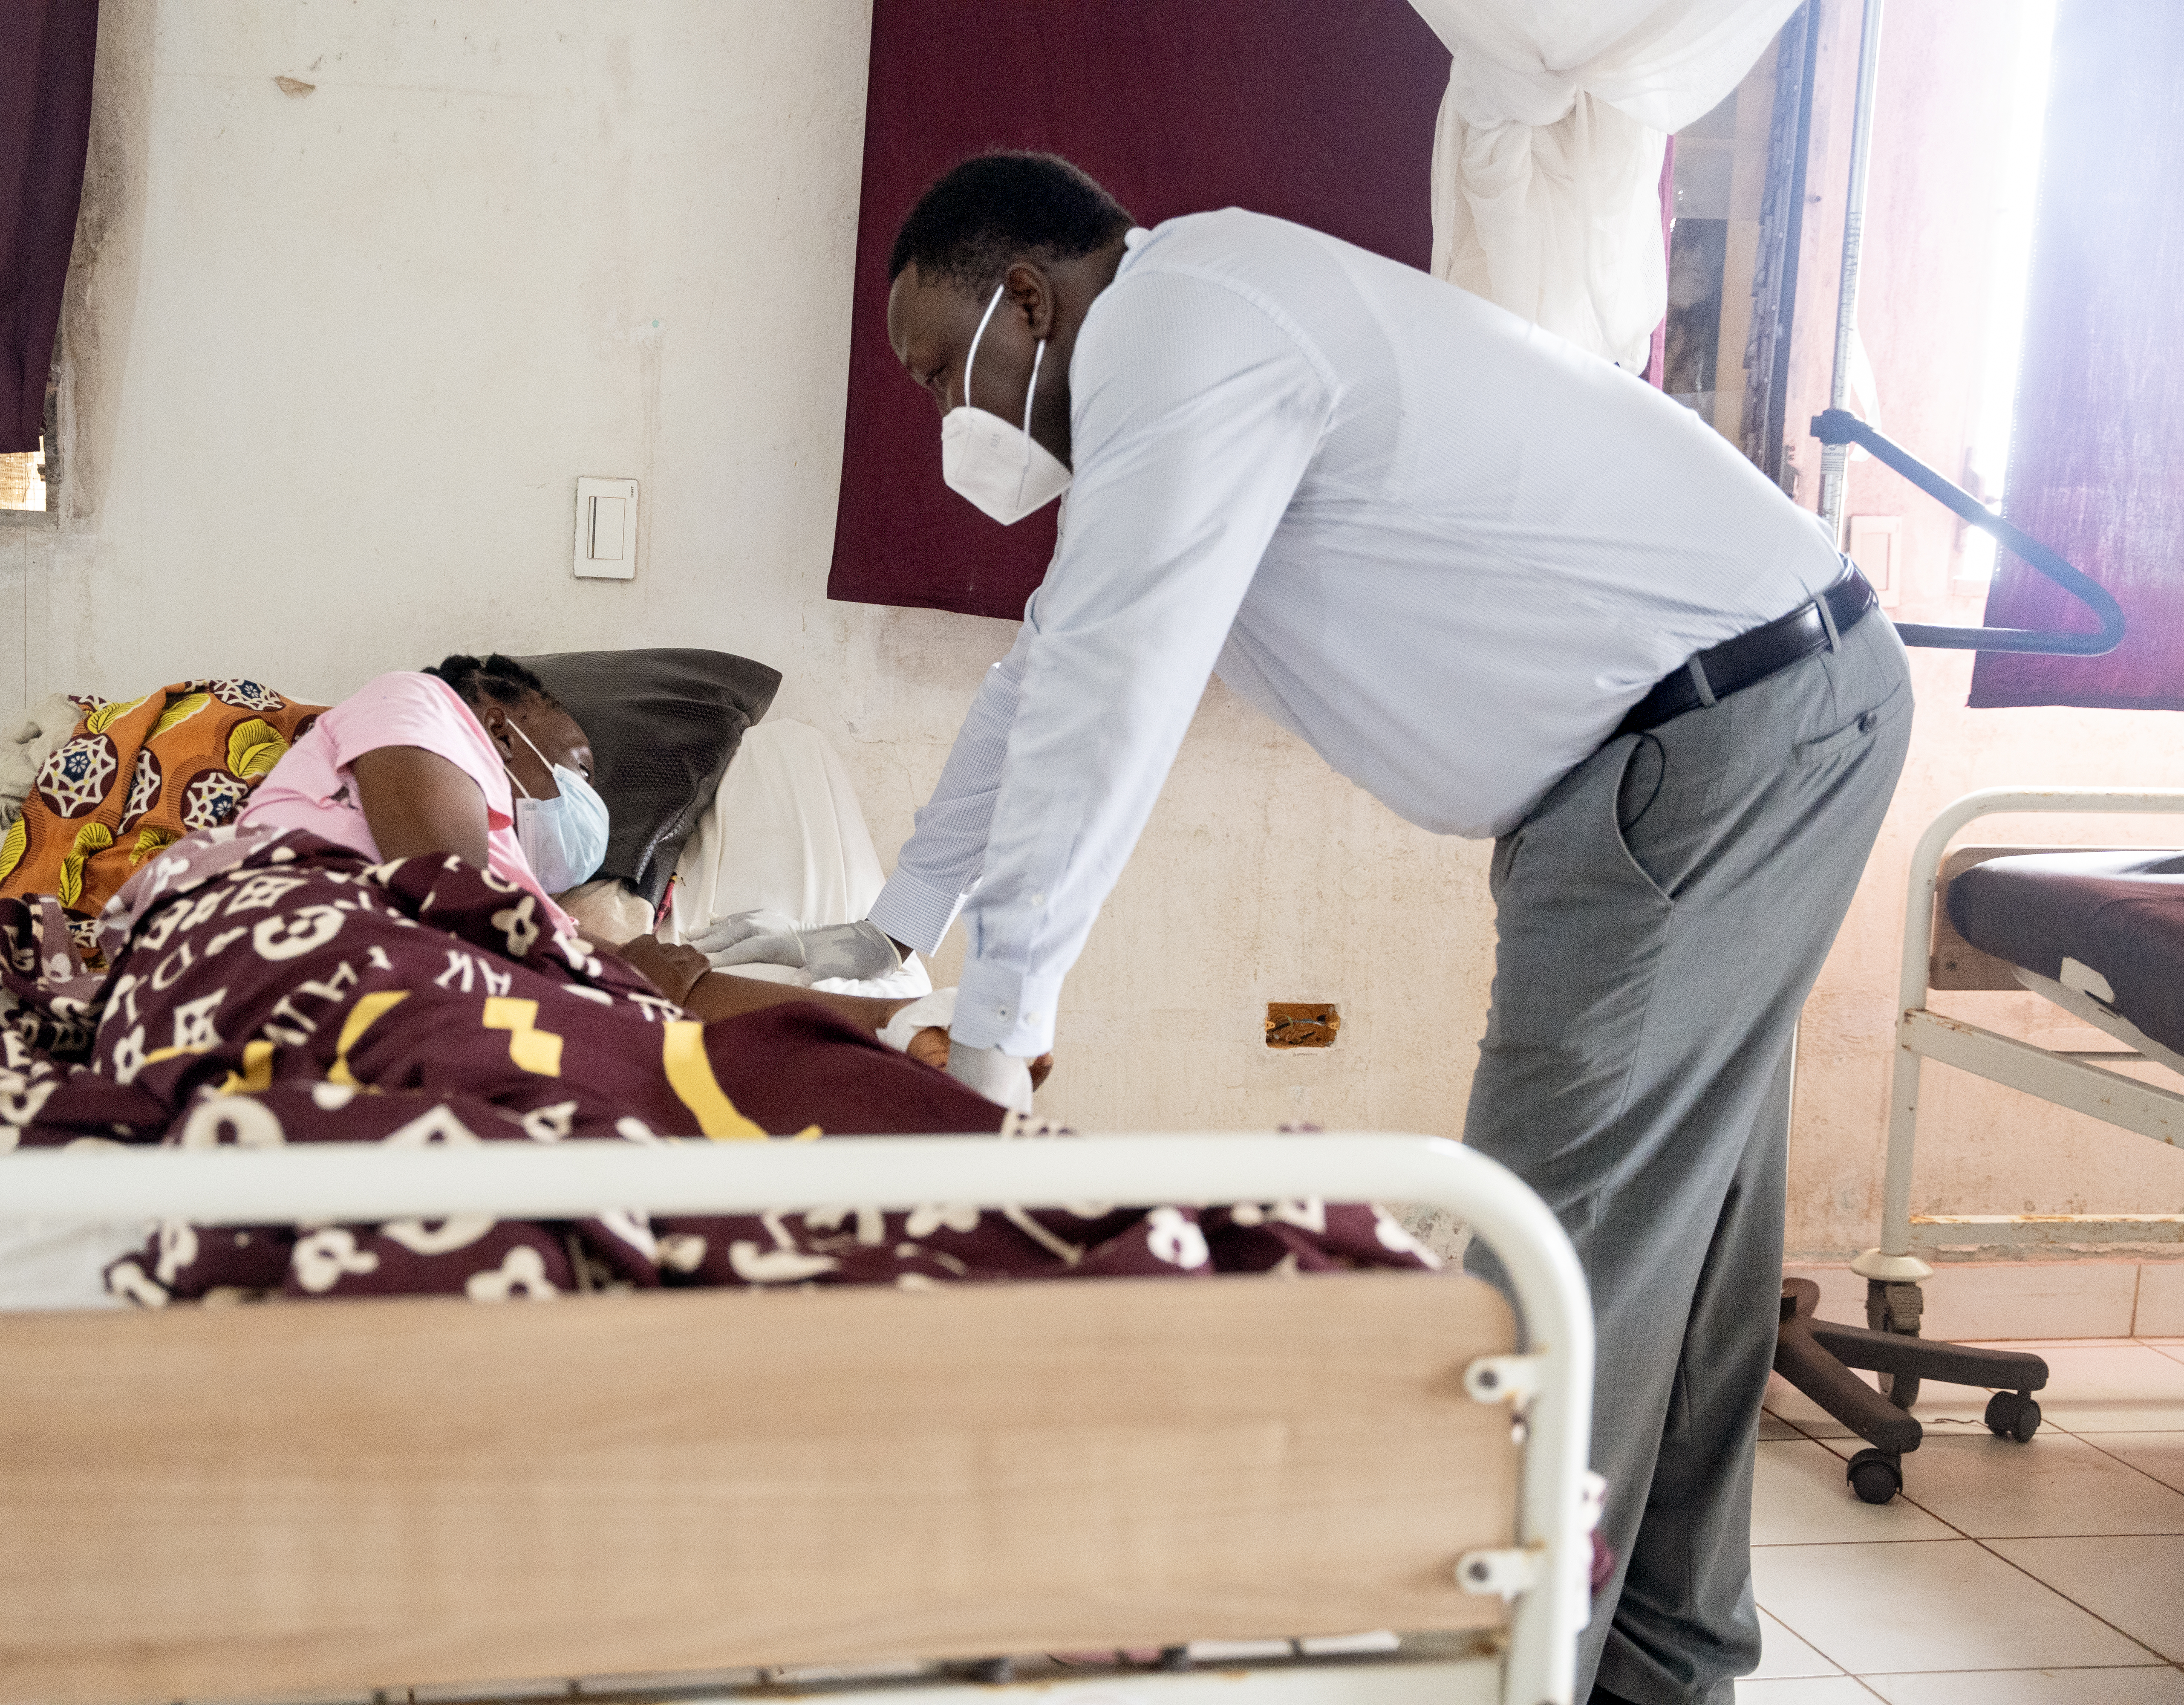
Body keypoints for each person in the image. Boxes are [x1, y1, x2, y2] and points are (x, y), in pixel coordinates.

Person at [707, 153, 1912, 1705]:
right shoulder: (1192, 333)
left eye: (945, 365)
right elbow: (1052, 675)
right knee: (1670, 1254)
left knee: (1551, 1261)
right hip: (1728, 728)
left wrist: (1002, 1033)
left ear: (1028, 298)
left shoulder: (1180, 330)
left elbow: (1116, 696)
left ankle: (1503, 1674)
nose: (949, 414)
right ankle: (1663, 1668)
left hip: (1715, 735)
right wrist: (892, 930)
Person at [237, 653, 996, 1074]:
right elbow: (449, 904)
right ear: (506, 724)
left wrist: (894, 1022)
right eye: (581, 764)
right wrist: (623, 971)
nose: (585, 794)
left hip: (399, 1007)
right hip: (275, 940)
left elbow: (629, 986)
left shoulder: (521, 896)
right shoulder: (421, 704)